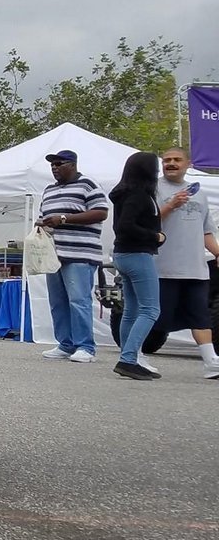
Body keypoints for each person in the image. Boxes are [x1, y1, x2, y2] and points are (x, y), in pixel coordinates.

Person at [36, 149, 110, 363]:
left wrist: (64, 218)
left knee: (79, 301)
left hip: (80, 253)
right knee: (58, 302)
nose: (54, 167)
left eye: (59, 163)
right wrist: (42, 224)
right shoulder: (49, 190)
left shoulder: (87, 185)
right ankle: (65, 344)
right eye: (52, 165)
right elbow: (46, 216)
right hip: (54, 254)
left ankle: (85, 346)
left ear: (73, 165)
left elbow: (101, 212)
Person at [153, 147, 219, 379]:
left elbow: (206, 230)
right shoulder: (153, 188)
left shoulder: (199, 194)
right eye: (166, 160)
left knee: (200, 315)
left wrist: (218, 253)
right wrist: (171, 205)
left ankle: (211, 361)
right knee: (153, 318)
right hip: (163, 268)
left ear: (188, 164)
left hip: (195, 269)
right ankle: (132, 356)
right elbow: (143, 221)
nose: (171, 163)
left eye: (176, 160)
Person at [109, 152, 164, 380]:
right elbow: (125, 226)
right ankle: (129, 358)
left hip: (123, 254)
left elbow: (119, 227)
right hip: (138, 254)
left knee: (131, 310)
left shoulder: (124, 194)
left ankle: (129, 355)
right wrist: (155, 236)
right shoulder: (139, 196)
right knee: (151, 309)